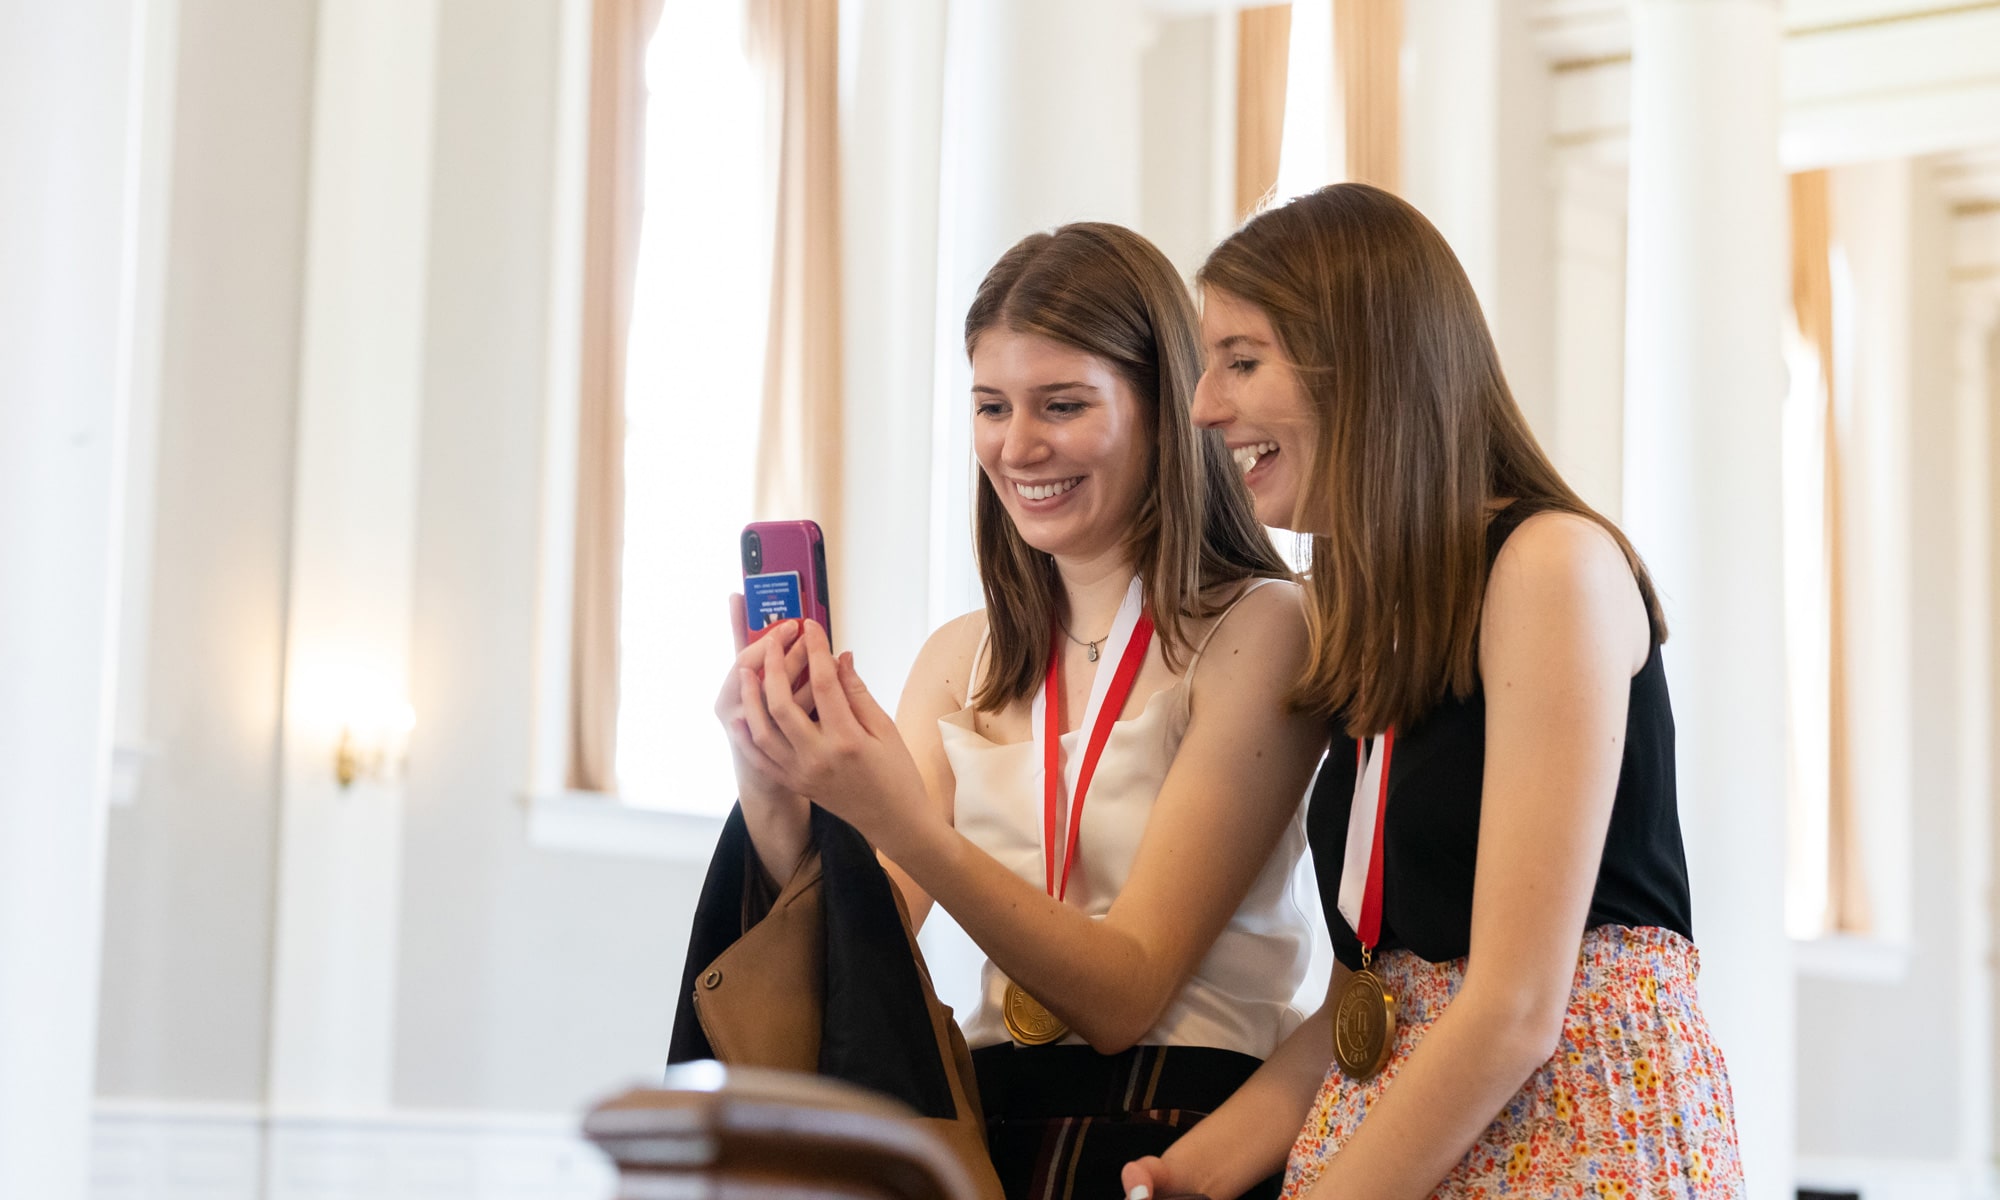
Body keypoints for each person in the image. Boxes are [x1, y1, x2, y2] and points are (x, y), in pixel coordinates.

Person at [1121, 184, 1744, 1199]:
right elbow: (1369, 1009)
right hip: (1413, 1135)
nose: (1201, 407)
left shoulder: (1548, 566)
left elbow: (1512, 1007)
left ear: (1362, 362)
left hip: (1573, 1138)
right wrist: (1179, 1176)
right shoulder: (1373, 621)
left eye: (1240, 360)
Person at [716, 222, 1328, 1199]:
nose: (1018, 445)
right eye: (991, 406)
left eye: (1063, 404)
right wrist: (770, 770)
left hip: (1179, 1132)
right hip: (982, 1125)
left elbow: (1124, 995)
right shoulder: (962, 659)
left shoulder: (1262, 628)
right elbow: (843, 969)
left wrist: (899, 822)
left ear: (1164, 411)